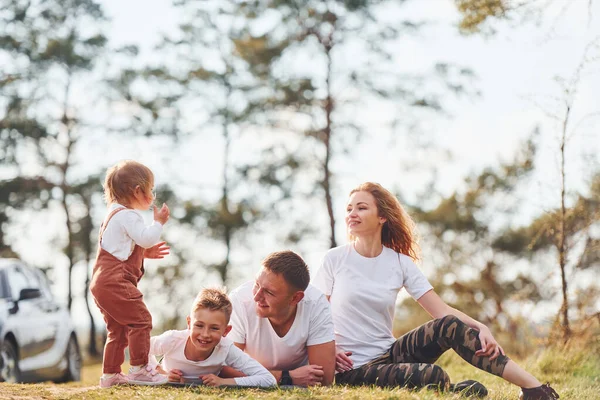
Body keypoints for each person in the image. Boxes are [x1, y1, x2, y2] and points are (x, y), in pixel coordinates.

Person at [313, 182, 560, 400]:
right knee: (434, 375)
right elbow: (312, 315)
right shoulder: (334, 259)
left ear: (382, 217)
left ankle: (534, 389)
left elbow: (441, 311)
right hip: (353, 368)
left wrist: (480, 327)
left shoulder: (399, 263)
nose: (352, 214)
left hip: (390, 354)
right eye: (349, 209)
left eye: (361, 207)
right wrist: (327, 349)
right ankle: (455, 390)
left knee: (448, 325)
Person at [90, 160, 171, 388]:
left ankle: (111, 375)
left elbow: (121, 249)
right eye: (151, 190)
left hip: (102, 282)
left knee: (118, 329)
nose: (153, 195)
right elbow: (145, 237)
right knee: (141, 320)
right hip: (116, 281)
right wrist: (158, 223)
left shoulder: (112, 215)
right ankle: (139, 369)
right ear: (138, 191)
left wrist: (144, 253)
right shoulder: (129, 216)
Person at [224, 250, 336, 387]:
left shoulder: (316, 303)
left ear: (296, 298)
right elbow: (225, 369)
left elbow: (324, 378)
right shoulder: (239, 302)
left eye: (269, 292)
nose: (256, 297)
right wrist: (286, 377)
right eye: (257, 284)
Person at [147, 288, 276, 387]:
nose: (205, 334)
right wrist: (161, 373)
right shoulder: (173, 339)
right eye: (199, 325)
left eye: (214, 328)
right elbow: (141, 350)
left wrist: (223, 381)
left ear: (226, 331)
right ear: (189, 323)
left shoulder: (226, 348)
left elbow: (268, 379)